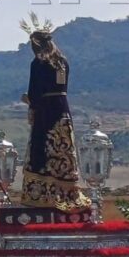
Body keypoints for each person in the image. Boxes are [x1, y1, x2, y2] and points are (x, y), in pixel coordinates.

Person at [19, 17, 88, 212]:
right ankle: (67, 192)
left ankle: (42, 195)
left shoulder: (37, 63)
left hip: (45, 110)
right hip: (62, 109)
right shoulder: (63, 61)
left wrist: (29, 101)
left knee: (41, 149)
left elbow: (34, 91)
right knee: (63, 147)